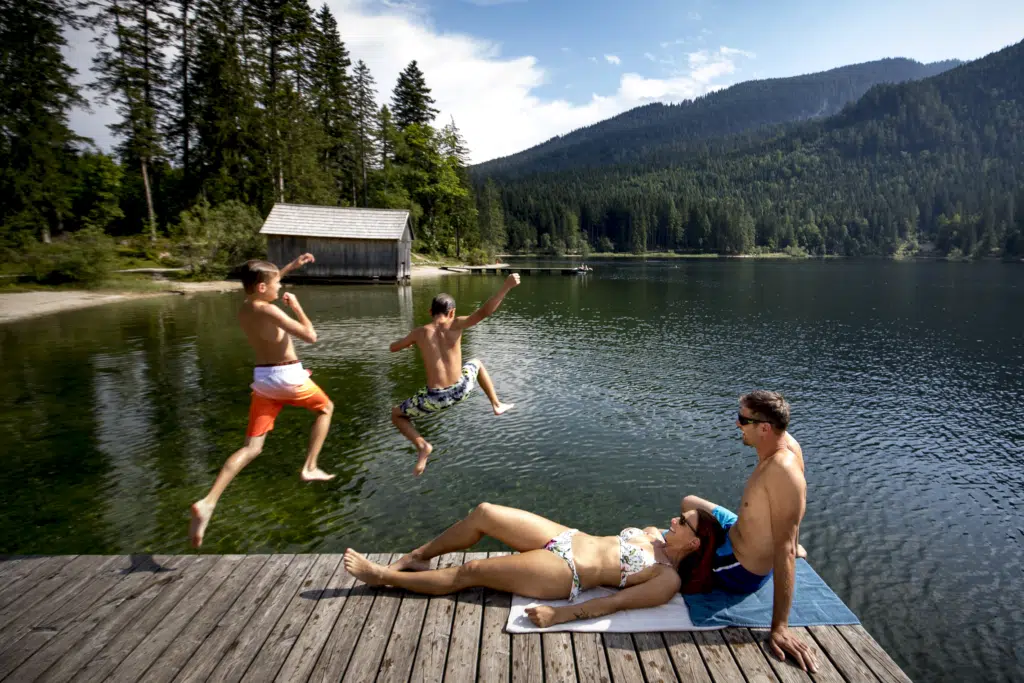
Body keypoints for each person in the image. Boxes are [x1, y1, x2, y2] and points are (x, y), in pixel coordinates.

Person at [342, 501, 725, 627]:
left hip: (566, 572)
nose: (673, 519)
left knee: (471, 573)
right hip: (566, 535)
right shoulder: (654, 533)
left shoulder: (666, 579)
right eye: (679, 515)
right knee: (484, 513)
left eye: (682, 521)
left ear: (693, 542)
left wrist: (560, 616)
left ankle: (383, 577)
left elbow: (613, 605)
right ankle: (419, 557)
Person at [189, 254, 334, 548]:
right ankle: (309, 466)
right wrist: (296, 308)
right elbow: (311, 336)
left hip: (264, 381)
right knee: (326, 409)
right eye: (276, 284)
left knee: (251, 447)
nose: (280, 287)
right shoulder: (271, 311)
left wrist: (290, 267)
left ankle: (209, 501)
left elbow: (264, 283)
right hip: (287, 377)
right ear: (261, 288)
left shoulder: (246, 307)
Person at [682, 390, 817, 672]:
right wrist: (791, 539)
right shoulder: (785, 444)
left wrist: (779, 627)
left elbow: (786, 548)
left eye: (742, 419)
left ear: (765, 428)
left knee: (674, 553)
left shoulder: (782, 469)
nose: (737, 424)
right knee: (689, 503)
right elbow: (789, 514)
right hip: (739, 529)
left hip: (738, 567)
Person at [389, 274, 520, 476]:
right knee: (476, 362)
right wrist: (506, 287)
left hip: (434, 398)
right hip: (461, 389)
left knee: (396, 414)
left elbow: (393, 348)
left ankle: (422, 446)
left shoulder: (419, 333)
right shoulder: (456, 324)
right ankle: (496, 404)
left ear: (430, 311)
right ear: (452, 312)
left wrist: (409, 343)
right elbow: (485, 312)